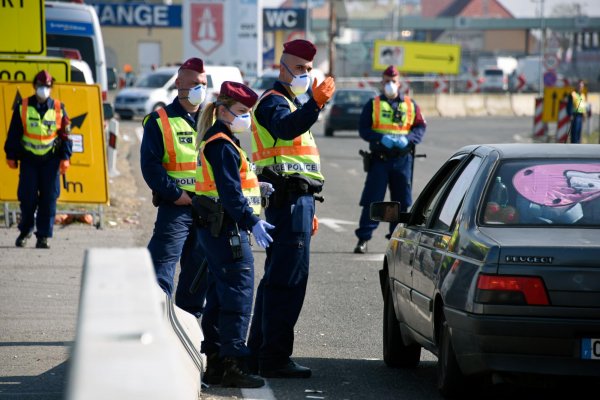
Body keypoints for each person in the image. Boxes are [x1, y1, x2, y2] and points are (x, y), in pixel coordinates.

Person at [248, 39, 335, 378]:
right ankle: (274, 358)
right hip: (287, 201)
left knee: (276, 280)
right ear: (281, 68)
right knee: (288, 282)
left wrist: (309, 207)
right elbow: (286, 128)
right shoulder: (274, 103)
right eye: (299, 68)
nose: (305, 74)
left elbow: (300, 165)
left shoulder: (291, 103)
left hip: (297, 201)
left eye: (309, 70)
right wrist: (315, 103)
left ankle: (259, 353)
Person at [194, 81, 272, 388]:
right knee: (238, 295)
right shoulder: (221, 145)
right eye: (242, 111)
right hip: (227, 229)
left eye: (248, 112)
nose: (247, 118)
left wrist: (258, 187)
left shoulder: (222, 141)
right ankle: (231, 364)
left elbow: (233, 185)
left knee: (219, 295)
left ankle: (216, 362)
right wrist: (253, 221)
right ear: (223, 110)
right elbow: (229, 193)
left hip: (220, 228)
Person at [140, 57, 208, 316]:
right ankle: (157, 319)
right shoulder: (159, 120)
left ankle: (189, 322)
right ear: (179, 83)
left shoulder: (211, 121)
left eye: (202, 83)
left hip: (205, 206)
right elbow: (151, 166)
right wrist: (175, 193)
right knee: (161, 265)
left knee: (198, 270)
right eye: (193, 83)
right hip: (176, 206)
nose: (199, 89)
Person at [354, 65, 427, 254]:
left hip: (402, 160)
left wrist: (408, 139)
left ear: (399, 82)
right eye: (387, 81)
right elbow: (364, 129)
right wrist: (379, 138)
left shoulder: (411, 105)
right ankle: (363, 238)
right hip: (380, 159)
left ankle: (397, 240)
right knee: (373, 199)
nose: (390, 84)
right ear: (382, 82)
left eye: (393, 81)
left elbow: (419, 127)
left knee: (402, 202)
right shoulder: (373, 104)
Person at [4, 70, 72, 249]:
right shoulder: (23, 106)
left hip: (50, 161)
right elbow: (14, 133)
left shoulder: (59, 108)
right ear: (34, 86)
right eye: (41, 86)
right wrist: (10, 154)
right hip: (29, 160)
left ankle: (43, 236)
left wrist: (66, 157)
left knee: (49, 199)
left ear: (51, 87)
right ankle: (25, 231)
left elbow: (66, 135)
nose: (44, 89)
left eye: (47, 86)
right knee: (27, 198)